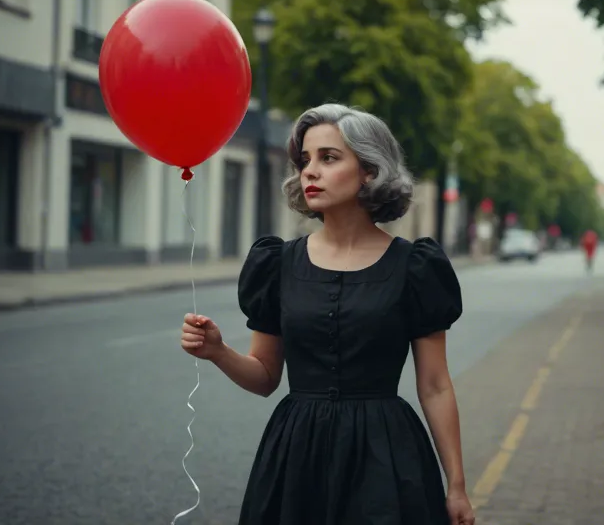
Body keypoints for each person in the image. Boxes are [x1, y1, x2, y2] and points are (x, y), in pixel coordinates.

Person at [179, 104, 475, 525]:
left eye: (329, 158)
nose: (310, 171)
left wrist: (457, 485)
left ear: (370, 170)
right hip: (297, 455)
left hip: (385, 455)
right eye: (305, 160)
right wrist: (218, 351)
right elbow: (265, 377)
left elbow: (434, 385)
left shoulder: (416, 268)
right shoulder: (277, 264)